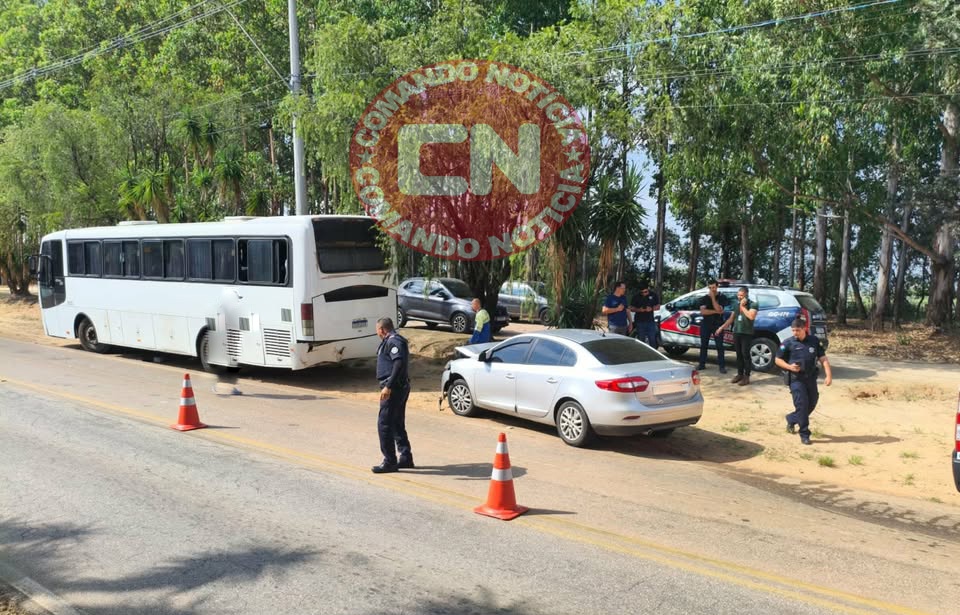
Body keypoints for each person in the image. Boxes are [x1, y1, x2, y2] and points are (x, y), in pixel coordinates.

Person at [775, 318, 833, 445]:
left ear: (804, 329)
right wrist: (789, 367)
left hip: (810, 378)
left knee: (812, 402)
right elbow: (777, 359)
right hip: (796, 379)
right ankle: (804, 433)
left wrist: (828, 375)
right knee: (802, 404)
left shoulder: (814, 341)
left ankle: (791, 418)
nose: (795, 333)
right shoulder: (788, 343)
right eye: (793, 330)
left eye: (797, 330)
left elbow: (823, 358)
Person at [371, 317, 414, 474]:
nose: (377, 333)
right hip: (397, 387)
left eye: (377, 330)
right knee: (396, 422)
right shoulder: (392, 340)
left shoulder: (394, 341)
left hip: (394, 388)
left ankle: (389, 461)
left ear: (382, 329)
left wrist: (388, 386)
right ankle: (405, 457)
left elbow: (398, 363)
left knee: (384, 424)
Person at [717, 286, 758, 386]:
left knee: (745, 355)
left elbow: (751, 316)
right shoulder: (736, 305)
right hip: (737, 332)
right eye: (738, 295)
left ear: (746, 295)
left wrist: (743, 307)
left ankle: (746, 376)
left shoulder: (753, 304)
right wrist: (721, 328)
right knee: (738, 355)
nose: (739, 297)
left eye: (741, 295)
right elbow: (731, 319)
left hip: (747, 333)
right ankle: (739, 374)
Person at [697, 279, 728, 373]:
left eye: (713, 287)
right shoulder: (704, 298)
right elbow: (703, 312)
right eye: (710, 288)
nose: (712, 289)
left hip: (717, 323)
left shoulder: (722, 297)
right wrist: (716, 311)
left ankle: (722, 366)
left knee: (719, 346)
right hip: (706, 324)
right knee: (703, 345)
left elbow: (719, 308)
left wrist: (713, 298)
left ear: (717, 286)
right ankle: (702, 364)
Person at [630, 282, 660, 348]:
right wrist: (639, 310)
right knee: (641, 340)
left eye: (645, 292)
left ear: (648, 289)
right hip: (639, 321)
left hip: (650, 321)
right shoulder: (636, 296)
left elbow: (658, 306)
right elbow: (631, 308)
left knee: (652, 339)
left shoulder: (653, 295)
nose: (644, 293)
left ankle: (653, 355)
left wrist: (651, 308)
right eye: (642, 292)